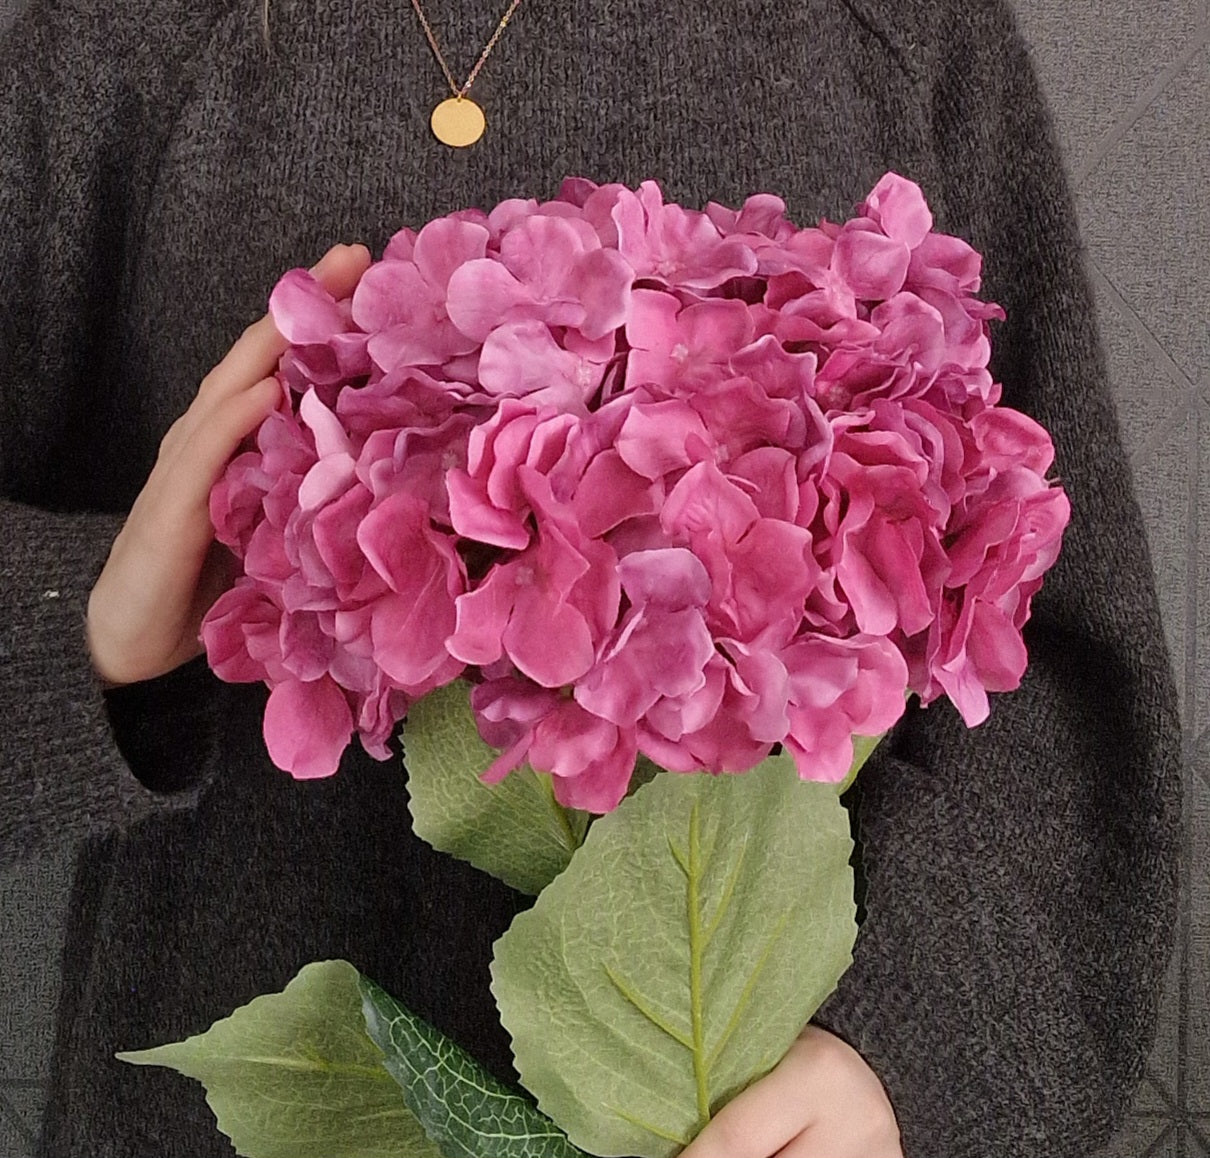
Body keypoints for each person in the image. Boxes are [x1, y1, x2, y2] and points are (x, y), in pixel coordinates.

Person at [0, 0, 1181, 1154]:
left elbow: (1061, 664)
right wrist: (82, 625)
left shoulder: (897, 32)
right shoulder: (126, 37)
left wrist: (910, 1055)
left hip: (748, 1122)